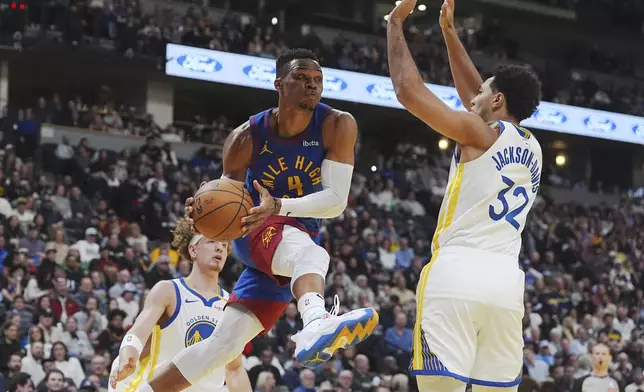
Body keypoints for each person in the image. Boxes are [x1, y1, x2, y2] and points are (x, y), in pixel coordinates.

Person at [142, 48, 379, 392]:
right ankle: (314, 320)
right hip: (255, 228)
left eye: (317, 80)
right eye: (300, 78)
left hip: (290, 233)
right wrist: (201, 215)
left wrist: (279, 205)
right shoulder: (246, 136)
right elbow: (225, 199)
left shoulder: (337, 124)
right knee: (314, 256)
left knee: (222, 347)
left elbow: (335, 202)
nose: (312, 86)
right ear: (279, 84)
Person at [387, 0, 543, 390]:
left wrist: (394, 25)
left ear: (497, 101)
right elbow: (477, 93)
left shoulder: (480, 133)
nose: (470, 99)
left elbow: (409, 92)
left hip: (457, 275)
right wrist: (449, 33)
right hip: (507, 287)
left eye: (482, 95)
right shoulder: (533, 147)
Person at [108, 218, 250, 392]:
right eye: (211, 241)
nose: (219, 247)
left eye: (223, 244)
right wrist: (126, 357)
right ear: (193, 250)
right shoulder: (168, 291)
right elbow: (138, 332)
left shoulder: (232, 305)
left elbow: (234, 369)